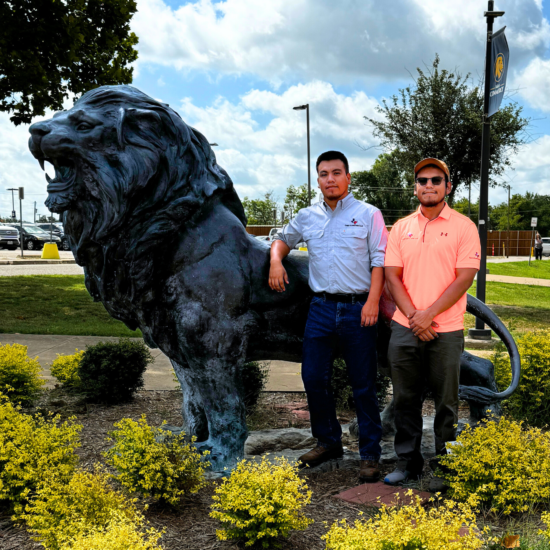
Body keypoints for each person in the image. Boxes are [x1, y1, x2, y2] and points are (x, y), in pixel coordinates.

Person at [269, 151, 388, 482]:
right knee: (313, 378)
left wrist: (372, 302)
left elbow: (380, 261)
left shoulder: (369, 214)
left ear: (349, 177)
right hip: (320, 309)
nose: (330, 179)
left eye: (337, 173)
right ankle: (328, 442)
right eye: (324, 174)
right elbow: (281, 240)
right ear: (318, 180)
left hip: (358, 308)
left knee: (364, 385)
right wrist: (276, 260)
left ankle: (369, 454)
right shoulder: (307, 216)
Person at [383, 158, 480, 490]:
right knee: (405, 399)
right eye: (422, 180)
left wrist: (429, 315)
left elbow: (464, 278)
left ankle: (444, 465)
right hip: (404, 326)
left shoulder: (464, 227)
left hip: (447, 329)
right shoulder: (401, 227)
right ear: (415, 187)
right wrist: (414, 316)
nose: (428, 185)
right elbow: (392, 278)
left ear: (447, 186)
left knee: (446, 402)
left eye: (436, 180)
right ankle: (407, 463)